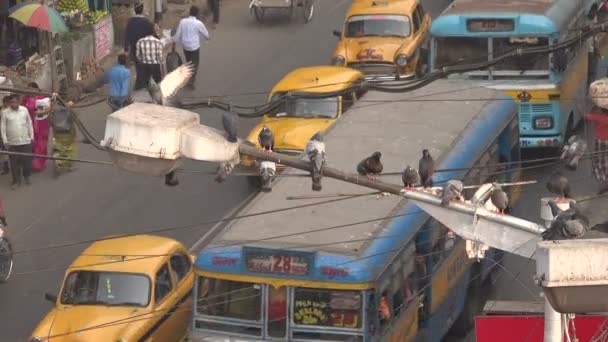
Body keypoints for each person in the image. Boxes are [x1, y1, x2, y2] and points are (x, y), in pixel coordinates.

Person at [1, 94, 34, 189]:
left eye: (15, 102)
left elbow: (29, 123)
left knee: (27, 161)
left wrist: (31, 137)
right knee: (14, 163)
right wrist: (5, 141)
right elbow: (2, 128)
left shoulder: (24, 110)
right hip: (12, 143)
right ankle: (16, 181)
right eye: (12, 102)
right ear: (9, 103)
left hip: (26, 141)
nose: (14, 104)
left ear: (19, 102)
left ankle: (27, 176)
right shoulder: (5, 112)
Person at [173, 6, 210, 89]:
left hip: (185, 46)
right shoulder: (198, 23)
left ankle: (188, 76)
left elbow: (177, 35)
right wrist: (207, 38)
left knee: (188, 61)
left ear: (189, 12)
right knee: (195, 63)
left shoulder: (182, 21)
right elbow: (206, 34)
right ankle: (191, 81)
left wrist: (173, 41)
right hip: (194, 47)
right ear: (197, 14)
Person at [21, 82, 51, 172]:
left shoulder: (42, 97)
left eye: (32, 88)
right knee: (33, 143)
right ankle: (33, 162)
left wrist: (41, 112)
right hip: (30, 124)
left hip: (42, 123)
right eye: (28, 88)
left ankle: (39, 164)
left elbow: (49, 107)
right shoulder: (25, 98)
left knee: (41, 143)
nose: (30, 90)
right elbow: (22, 109)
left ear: (36, 88)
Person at [585, 107, 608, 193]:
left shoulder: (599, 117)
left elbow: (585, 116)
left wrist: (578, 105)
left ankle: (603, 185)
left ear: (602, 110)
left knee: (599, 163)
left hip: (600, 143)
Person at [50, 106, 77, 174]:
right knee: (70, 150)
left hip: (58, 133)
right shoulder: (69, 109)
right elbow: (74, 118)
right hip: (68, 133)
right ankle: (65, 164)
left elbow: (51, 122)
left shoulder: (54, 109)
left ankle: (57, 160)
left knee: (58, 148)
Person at [0, 96, 10, 175]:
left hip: (9, 133)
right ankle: (5, 167)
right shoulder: (1, 109)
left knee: (6, 151)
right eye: (5, 102)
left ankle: (6, 167)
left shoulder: (10, 110)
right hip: (2, 133)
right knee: (3, 151)